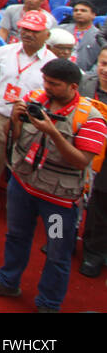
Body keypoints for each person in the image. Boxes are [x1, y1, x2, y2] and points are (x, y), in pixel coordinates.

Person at [0, 59, 106, 311]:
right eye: (45, 81)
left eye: (54, 84)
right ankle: (7, 280)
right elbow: (18, 136)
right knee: (16, 235)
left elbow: (81, 162)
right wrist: (16, 119)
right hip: (23, 187)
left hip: (58, 203)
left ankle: (48, 303)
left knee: (57, 252)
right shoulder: (36, 98)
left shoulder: (91, 118)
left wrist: (53, 132)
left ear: (73, 86)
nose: (47, 88)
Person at [0, 11, 54, 218]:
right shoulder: (4, 52)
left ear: (47, 35)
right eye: (24, 28)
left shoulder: (51, 63)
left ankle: (20, 207)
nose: (28, 34)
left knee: (25, 163)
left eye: (34, 31)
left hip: (30, 121)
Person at [78, 46, 107, 277]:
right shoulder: (84, 82)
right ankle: (61, 239)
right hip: (78, 151)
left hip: (104, 161)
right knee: (65, 203)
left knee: (100, 207)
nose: (106, 70)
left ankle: (94, 252)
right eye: (103, 63)